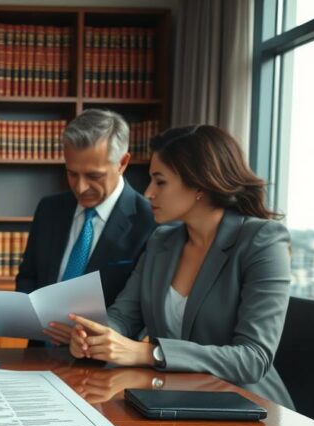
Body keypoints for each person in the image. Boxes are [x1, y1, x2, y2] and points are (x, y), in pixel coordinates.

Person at [69, 125, 294, 407]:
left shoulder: (262, 241)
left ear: (199, 184)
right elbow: (124, 315)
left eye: (160, 181)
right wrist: (96, 336)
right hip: (171, 401)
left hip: (247, 408)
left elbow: (253, 358)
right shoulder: (162, 241)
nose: (148, 192)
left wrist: (150, 353)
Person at [16, 109, 156, 346]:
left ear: (123, 163)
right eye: (72, 174)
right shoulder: (49, 209)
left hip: (105, 366)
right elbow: (29, 276)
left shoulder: (150, 222)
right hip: (39, 352)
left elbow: (141, 310)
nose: (80, 187)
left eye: (94, 176)